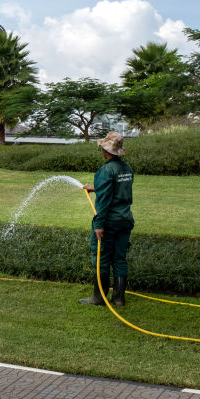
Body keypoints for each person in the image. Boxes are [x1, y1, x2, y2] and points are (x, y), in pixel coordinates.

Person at [79, 131, 134, 306]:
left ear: (105, 150)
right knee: (119, 258)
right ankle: (118, 298)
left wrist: (99, 225)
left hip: (108, 221)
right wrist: (96, 188)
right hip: (125, 219)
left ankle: (99, 297)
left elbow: (103, 201)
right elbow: (117, 190)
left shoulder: (105, 170)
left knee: (101, 258)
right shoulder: (126, 168)